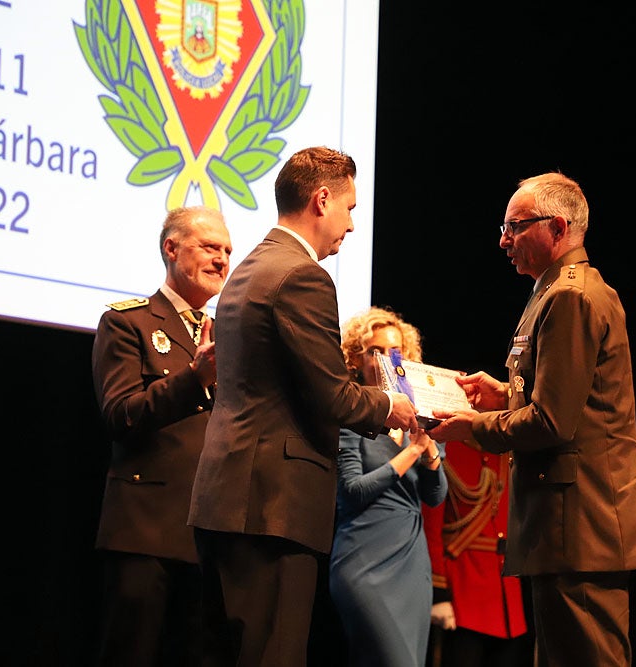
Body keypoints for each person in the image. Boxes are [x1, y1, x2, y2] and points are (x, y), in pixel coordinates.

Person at [187, 146, 419, 667]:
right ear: (321, 199)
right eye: (350, 208)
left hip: (225, 500)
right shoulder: (303, 276)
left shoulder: (249, 268)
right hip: (271, 506)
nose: (353, 225)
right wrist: (395, 407)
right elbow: (333, 393)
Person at [427, 171, 636, 666]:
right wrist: (502, 395)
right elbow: (564, 401)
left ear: (557, 228)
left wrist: (471, 428)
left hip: (582, 524)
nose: (503, 241)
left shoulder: (570, 296)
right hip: (566, 524)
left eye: (515, 227)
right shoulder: (550, 290)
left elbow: (553, 423)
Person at [90, 205, 232, 666]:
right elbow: (120, 414)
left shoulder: (232, 335)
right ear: (171, 248)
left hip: (211, 533)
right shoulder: (127, 322)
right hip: (145, 532)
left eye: (228, 251)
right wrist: (195, 377)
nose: (222, 260)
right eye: (210, 247)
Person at [329, 306, 448, 667]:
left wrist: (429, 453)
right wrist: (412, 452)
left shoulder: (422, 416)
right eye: (374, 351)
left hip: (411, 564)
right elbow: (351, 493)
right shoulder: (351, 416)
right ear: (355, 358)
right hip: (363, 561)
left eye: (394, 352)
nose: (384, 360)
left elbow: (435, 496)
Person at [421, 440, 531, 667]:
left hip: (506, 592)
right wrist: (438, 589)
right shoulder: (446, 446)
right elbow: (431, 526)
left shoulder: (506, 448)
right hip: (463, 590)